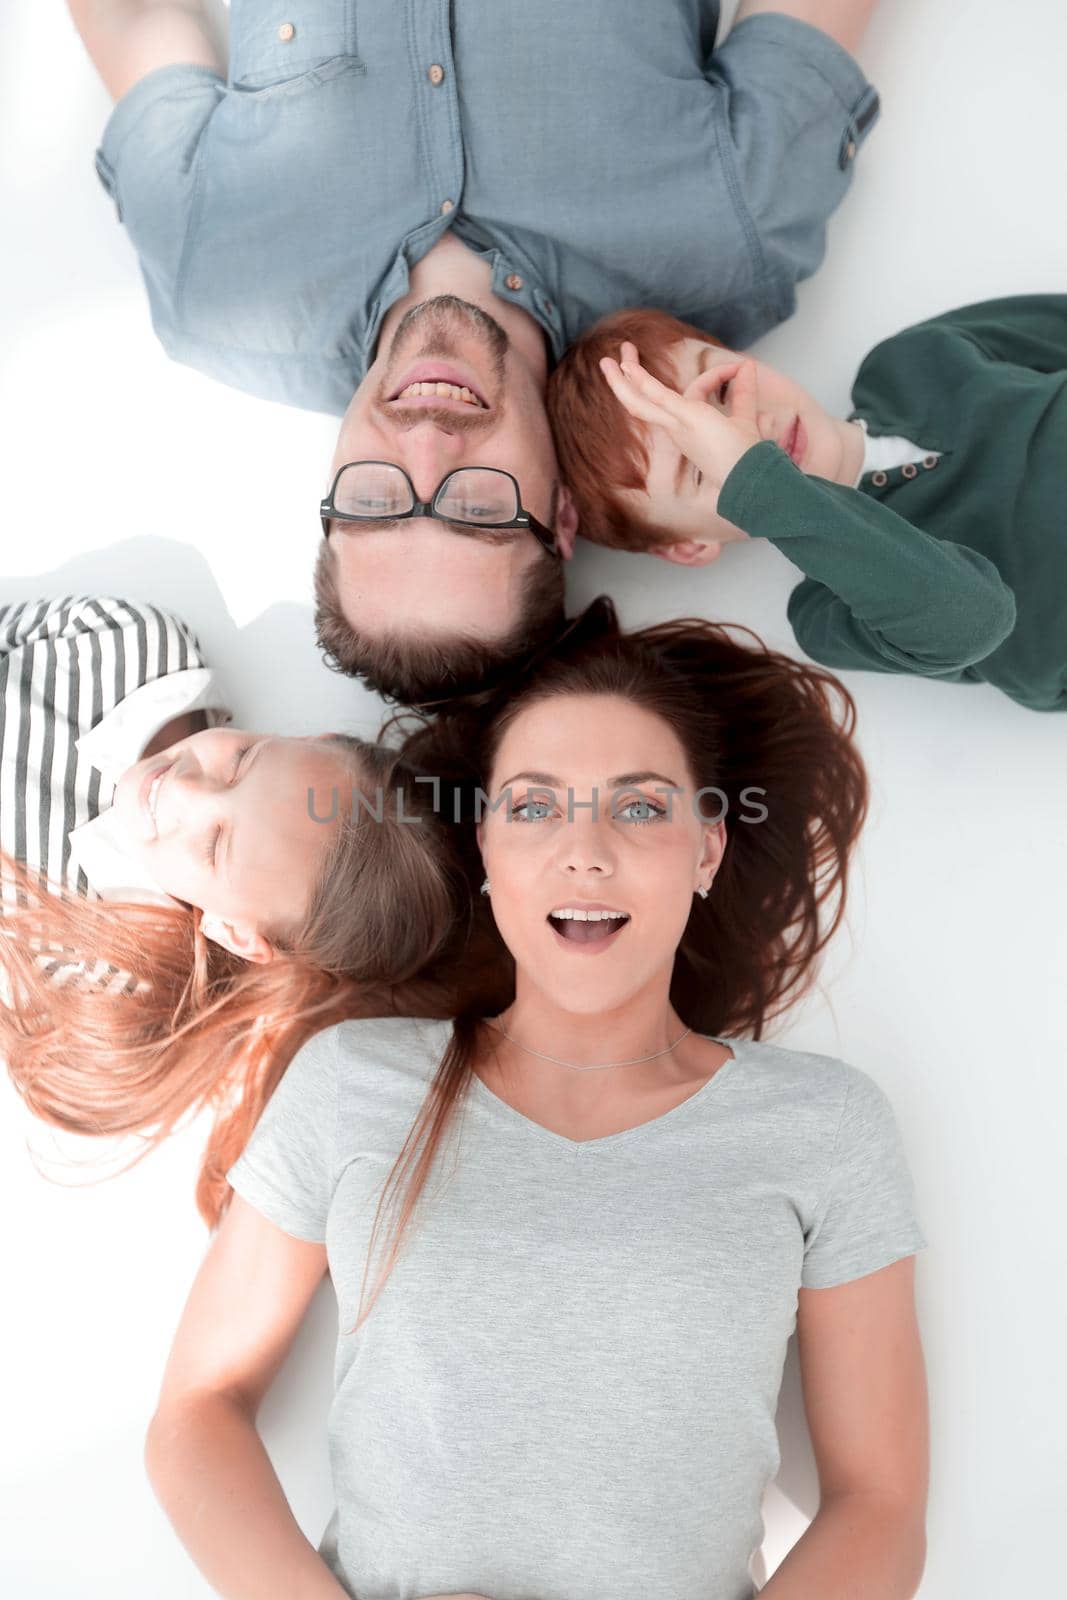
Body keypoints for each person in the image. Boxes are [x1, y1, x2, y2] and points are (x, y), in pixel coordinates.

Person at [142, 598, 930, 1600]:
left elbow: (880, 1504)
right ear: (486, 856)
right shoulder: (353, 1084)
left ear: (705, 850)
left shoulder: (823, 1128)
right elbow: (195, 1412)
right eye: (533, 805)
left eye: (639, 807)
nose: (584, 851)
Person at [70, 0, 884, 702]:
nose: (427, 442)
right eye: (475, 510)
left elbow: (133, 17)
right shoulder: (728, 249)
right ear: (562, 515)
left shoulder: (211, 283)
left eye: (376, 505)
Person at [0, 595, 508, 1221]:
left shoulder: (97, 976)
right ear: (306, 739)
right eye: (243, 761)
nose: (183, 787)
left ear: (237, 934)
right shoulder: (132, 649)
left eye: (215, 848)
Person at [547, 296, 1067, 713]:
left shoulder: (915, 361)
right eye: (705, 462)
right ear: (689, 546)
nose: (756, 433)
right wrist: (759, 481)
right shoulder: (829, 610)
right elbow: (977, 619)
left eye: (725, 391)